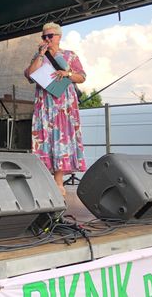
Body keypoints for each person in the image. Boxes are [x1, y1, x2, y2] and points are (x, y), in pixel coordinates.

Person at [25, 22, 86, 196]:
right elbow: (29, 75)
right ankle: (46, 180)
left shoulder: (69, 55)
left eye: (50, 36)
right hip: (44, 103)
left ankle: (59, 182)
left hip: (63, 104)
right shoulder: (39, 55)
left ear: (59, 37)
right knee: (45, 138)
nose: (47, 39)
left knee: (61, 140)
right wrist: (40, 55)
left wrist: (67, 74)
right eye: (44, 36)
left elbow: (82, 77)